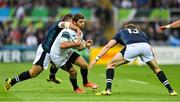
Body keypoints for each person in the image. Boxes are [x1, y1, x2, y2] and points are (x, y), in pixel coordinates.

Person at [89, 23, 178, 96]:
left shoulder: (122, 32)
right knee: (156, 68)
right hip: (145, 47)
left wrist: (96, 59)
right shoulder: (141, 33)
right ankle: (171, 90)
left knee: (110, 64)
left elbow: (108, 46)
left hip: (132, 47)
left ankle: (108, 89)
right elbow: (148, 46)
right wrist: (153, 58)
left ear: (125, 28)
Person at [4, 14, 82, 91]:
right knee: (34, 73)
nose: (72, 24)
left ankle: (52, 76)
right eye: (71, 22)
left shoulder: (67, 31)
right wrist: (77, 29)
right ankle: (11, 82)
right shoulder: (60, 24)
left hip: (53, 52)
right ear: (66, 21)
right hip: (45, 50)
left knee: (58, 61)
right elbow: (66, 24)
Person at [50, 13, 98, 93]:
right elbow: (62, 45)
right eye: (81, 22)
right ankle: (76, 88)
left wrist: (86, 45)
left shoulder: (80, 33)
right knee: (73, 72)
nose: (83, 24)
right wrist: (77, 44)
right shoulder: (66, 32)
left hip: (67, 52)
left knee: (84, 65)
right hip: (58, 56)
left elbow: (78, 48)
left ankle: (86, 83)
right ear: (74, 22)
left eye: (83, 22)